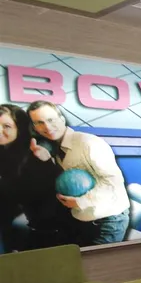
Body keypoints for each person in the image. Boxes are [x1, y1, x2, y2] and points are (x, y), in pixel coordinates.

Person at [27, 101, 130, 246]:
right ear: (35, 127)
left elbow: (114, 183)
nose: (47, 127)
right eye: (39, 122)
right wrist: (45, 158)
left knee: (97, 261)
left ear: (62, 119)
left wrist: (80, 202)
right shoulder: (53, 148)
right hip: (80, 220)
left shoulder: (89, 143)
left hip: (107, 221)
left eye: (51, 120)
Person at [0, 103, 74, 251]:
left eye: (6, 126)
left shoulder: (36, 150)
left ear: (20, 128)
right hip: (29, 227)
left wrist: (46, 157)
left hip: (55, 231)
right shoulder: (5, 151)